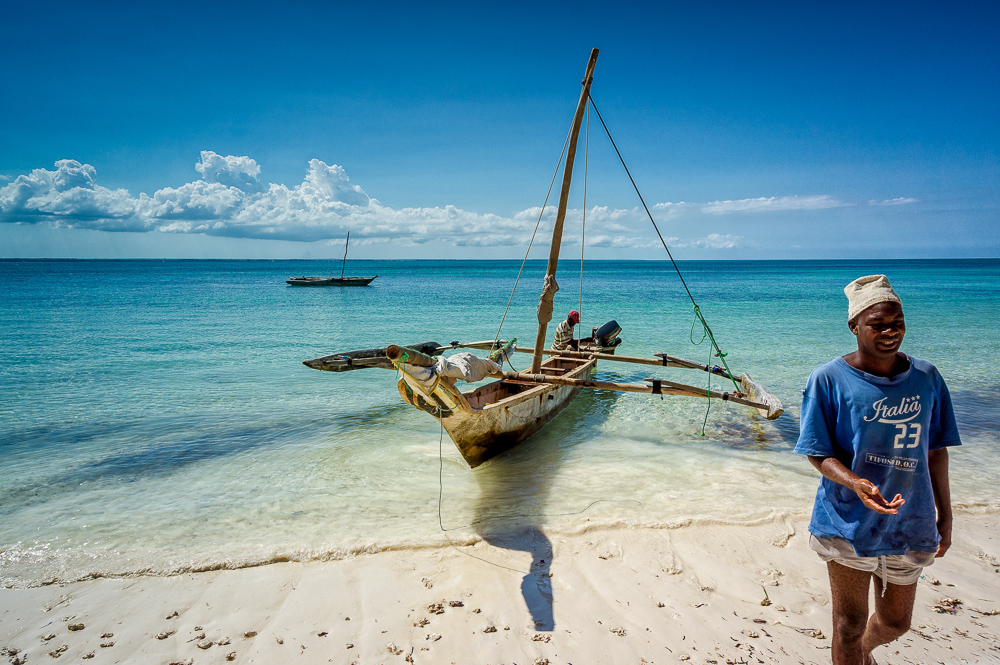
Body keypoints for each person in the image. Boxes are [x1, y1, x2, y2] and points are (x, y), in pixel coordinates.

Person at [794, 275, 961, 665]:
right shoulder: (829, 379)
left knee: (895, 623)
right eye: (878, 324)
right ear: (854, 327)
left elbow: (936, 451)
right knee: (848, 624)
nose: (890, 332)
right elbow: (817, 452)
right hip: (848, 520)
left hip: (911, 519)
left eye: (897, 322)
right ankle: (853, 650)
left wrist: (946, 515)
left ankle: (863, 653)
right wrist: (855, 482)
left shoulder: (927, 378)